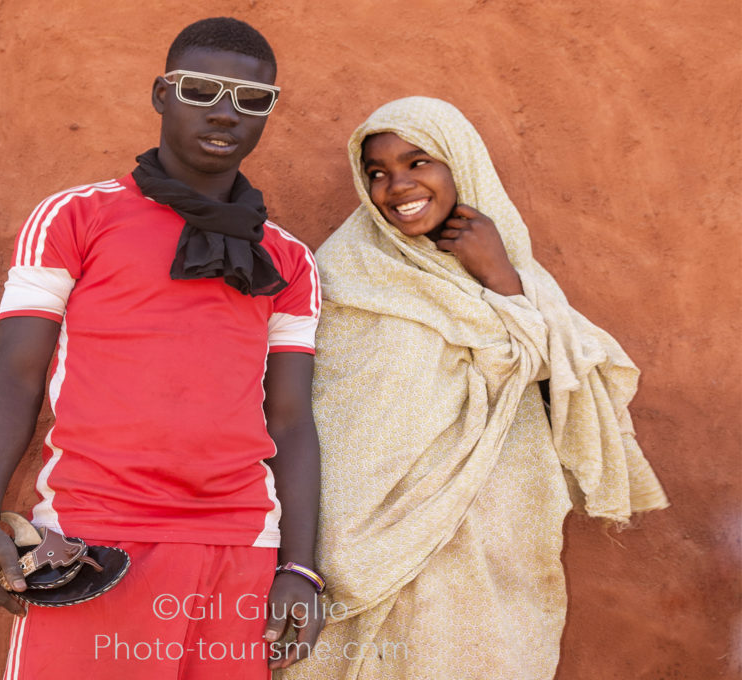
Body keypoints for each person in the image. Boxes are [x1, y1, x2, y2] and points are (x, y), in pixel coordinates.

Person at [0, 17, 325, 680]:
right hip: (92, 541)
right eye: (201, 90)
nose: (225, 113)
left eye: (251, 99)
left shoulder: (288, 260)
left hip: (239, 546)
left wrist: (298, 565)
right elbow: (15, 373)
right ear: (160, 94)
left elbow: (290, 419)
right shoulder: (73, 218)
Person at [279, 97, 667, 680]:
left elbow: (566, 376)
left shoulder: (517, 275)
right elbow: (333, 411)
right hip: (359, 537)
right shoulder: (344, 272)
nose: (397, 185)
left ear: (462, 163)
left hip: (486, 542)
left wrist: (501, 279)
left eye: (419, 162)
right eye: (377, 172)